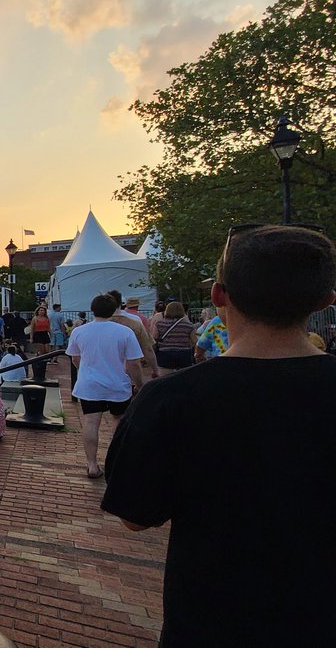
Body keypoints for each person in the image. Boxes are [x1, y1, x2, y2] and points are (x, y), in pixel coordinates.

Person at [102, 224, 336, 647]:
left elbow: (135, 516)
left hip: (214, 619)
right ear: (325, 300)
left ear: (219, 296)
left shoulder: (171, 400)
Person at [66, 294, 143, 478]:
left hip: (89, 384)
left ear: (93, 309)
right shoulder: (124, 332)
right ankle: (115, 460)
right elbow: (134, 363)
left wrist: (84, 370)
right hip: (118, 384)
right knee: (118, 420)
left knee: (91, 422)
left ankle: (92, 464)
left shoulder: (79, 331)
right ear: (115, 308)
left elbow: (75, 358)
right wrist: (139, 384)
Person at [108, 290, 159, 379]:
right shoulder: (135, 321)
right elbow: (147, 348)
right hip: (130, 368)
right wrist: (155, 369)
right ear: (122, 304)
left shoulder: (97, 323)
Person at [153, 301, 196, 373]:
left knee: (165, 378)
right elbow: (194, 340)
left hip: (165, 353)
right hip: (184, 353)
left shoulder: (160, 323)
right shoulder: (188, 325)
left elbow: (154, 338)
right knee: (184, 376)